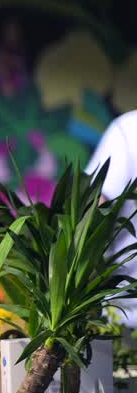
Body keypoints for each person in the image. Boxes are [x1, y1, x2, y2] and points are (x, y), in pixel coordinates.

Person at [86, 109, 137, 317]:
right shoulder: (130, 129)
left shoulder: (130, 128)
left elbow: (88, 213)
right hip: (123, 312)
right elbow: (94, 207)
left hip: (121, 310)